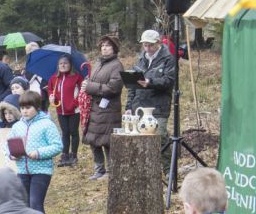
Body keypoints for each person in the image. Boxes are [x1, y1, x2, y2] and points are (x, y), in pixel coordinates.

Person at [126, 30, 175, 173]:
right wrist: (129, 106)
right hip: (139, 107)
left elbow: (169, 81)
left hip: (158, 107)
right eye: (145, 45)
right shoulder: (140, 60)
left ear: (158, 43)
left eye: (150, 45)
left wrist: (150, 82)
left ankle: (168, 171)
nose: (147, 48)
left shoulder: (168, 59)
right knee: (141, 141)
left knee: (160, 138)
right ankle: (146, 171)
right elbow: (132, 85)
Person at [9, 90, 61, 213]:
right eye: (22, 108)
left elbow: (57, 146)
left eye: (28, 107)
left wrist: (38, 153)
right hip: (22, 170)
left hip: (41, 170)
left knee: (35, 204)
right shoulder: (17, 126)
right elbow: (9, 144)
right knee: (24, 206)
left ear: (37, 107)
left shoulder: (47, 124)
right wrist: (12, 154)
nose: (24, 111)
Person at [82, 35, 124, 180]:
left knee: (107, 142)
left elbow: (114, 88)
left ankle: (111, 172)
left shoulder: (117, 65)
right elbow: (93, 83)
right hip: (94, 108)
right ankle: (98, 170)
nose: (104, 48)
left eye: (108, 45)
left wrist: (91, 87)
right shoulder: (98, 64)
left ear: (114, 48)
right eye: (103, 45)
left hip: (109, 110)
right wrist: (86, 84)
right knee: (93, 140)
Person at [47, 55, 84, 167]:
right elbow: (50, 89)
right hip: (60, 110)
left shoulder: (77, 77)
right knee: (65, 133)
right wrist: (51, 97)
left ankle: (73, 155)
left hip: (74, 110)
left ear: (70, 65)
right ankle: (65, 155)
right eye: (60, 63)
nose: (63, 65)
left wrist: (74, 104)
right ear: (58, 66)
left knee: (73, 132)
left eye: (65, 63)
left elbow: (82, 92)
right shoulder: (54, 78)